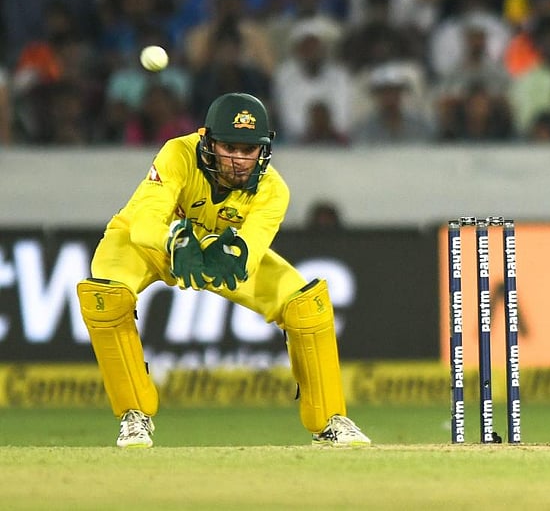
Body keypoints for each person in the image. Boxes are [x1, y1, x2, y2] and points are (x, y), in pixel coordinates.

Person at [76, 92, 370, 449]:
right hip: (149, 245)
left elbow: (250, 252)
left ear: (264, 150)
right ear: (208, 141)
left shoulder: (273, 189)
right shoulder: (178, 152)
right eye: (230, 147)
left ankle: (329, 421)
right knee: (105, 295)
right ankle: (133, 416)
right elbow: (144, 224)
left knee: (304, 304)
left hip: (216, 251)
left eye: (250, 150)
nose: (239, 161)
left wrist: (229, 257)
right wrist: (176, 241)